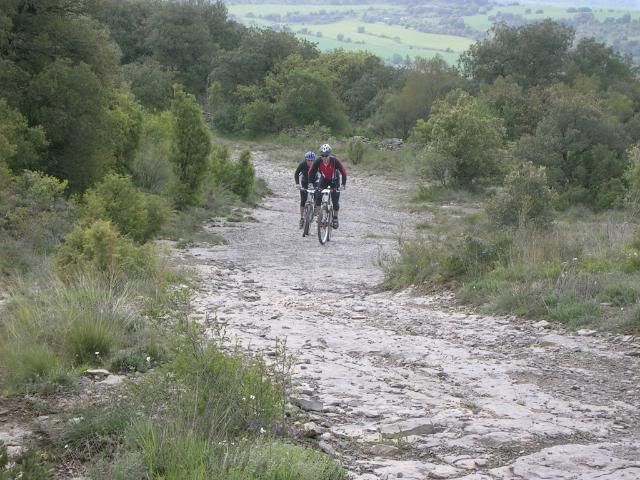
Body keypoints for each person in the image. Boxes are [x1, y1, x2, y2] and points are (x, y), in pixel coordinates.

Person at [307, 144, 347, 229]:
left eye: (326, 155)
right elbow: (311, 172)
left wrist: (343, 185)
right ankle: (319, 215)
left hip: (334, 181)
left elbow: (343, 172)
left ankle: (335, 218)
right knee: (318, 195)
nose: (324, 158)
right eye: (322, 155)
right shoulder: (318, 161)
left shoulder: (335, 161)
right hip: (324, 180)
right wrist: (310, 183)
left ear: (329, 155)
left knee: (335, 201)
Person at [294, 151, 317, 228]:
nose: (310, 162)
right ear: (305, 159)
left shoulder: (316, 165)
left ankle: (316, 209)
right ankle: (302, 218)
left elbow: (322, 174)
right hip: (304, 182)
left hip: (314, 182)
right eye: (308, 160)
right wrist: (297, 184)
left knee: (317, 195)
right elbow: (296, 173)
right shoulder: (303, 164)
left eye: (312, 160)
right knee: (303, 200)